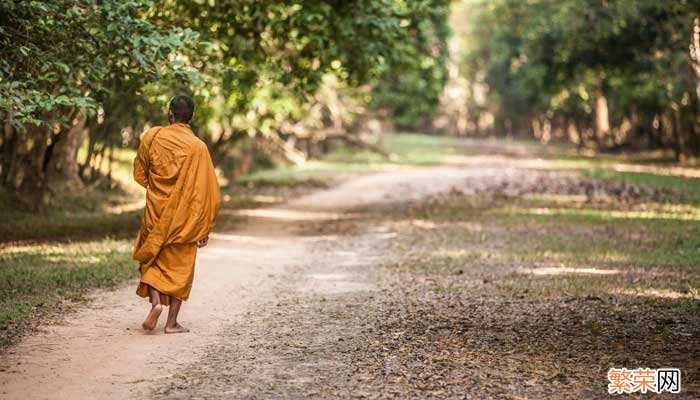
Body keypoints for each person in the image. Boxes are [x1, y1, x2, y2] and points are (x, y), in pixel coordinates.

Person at [132, 95, 221, 334]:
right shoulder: (198, 147)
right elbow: (208, 191)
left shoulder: (152, 136)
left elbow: (140, 174)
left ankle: (156, 303)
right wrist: (204, 227)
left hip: (155, 212)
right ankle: (171, 323)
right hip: (184, 219)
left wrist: (158, 190)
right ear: (191, 117)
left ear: (170, 113)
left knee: (152, 258)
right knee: (181, 268)